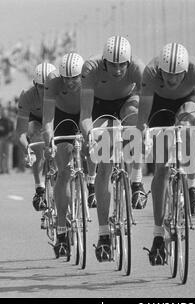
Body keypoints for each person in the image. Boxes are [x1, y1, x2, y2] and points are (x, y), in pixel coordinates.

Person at [136, 43, 195, 265]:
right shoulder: (151, 72)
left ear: (185, 71)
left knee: (187, 123)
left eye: (177, 76)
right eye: (168, 75)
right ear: (160, 70)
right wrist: (143, 137)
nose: (172, 80)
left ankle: (193, 186)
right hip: (158, 107)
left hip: (188, 102)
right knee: (161, 169)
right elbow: (143, 116)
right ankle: (157, 234)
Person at [79, 36, 147, 262]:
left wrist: (144, 128)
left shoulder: (138, 67)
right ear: (105, 62)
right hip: (99, 106)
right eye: (113, 65)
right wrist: (90, 135)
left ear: (128, 63)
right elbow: (86, 116)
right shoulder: (91, 68)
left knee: (135, 127)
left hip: (128, 101)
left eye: (122, 65)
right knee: (105, 165)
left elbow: (149, 105)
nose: (117, 70)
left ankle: (137, 180)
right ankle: (104, 235)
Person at [42, 53, 85, 257]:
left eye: (73, 78)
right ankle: (61, 230)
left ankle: (91, 183)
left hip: (85, 115)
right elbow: (48, 119)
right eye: (65, 78)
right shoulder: (53, 83)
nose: (69, 82)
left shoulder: (89, 81)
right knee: (65, 171)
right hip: (62, 119)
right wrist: (49, 139)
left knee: (93, 147)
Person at [16, 62, 57, 215]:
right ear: (35, 85)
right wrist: (28, 150)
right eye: (41, 87)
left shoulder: (61, 91)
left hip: (55, 118)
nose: (45, 91)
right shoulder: (27, 95)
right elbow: (20, 131)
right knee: (37, 139)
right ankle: (39, 188)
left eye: (48, 87)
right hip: (37, 120)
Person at [0, 107, 14, 174]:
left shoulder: (10, 120)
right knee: (1, 155)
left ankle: (8, 169)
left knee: (8, 155)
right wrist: (0, 129)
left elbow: (12, 130)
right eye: (2, 112)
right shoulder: (0, 120)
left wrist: (8, 135)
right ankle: (1, 169)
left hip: (8, 140)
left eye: (5, 112)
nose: (3, 113)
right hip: (1, 138)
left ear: (7, 113)